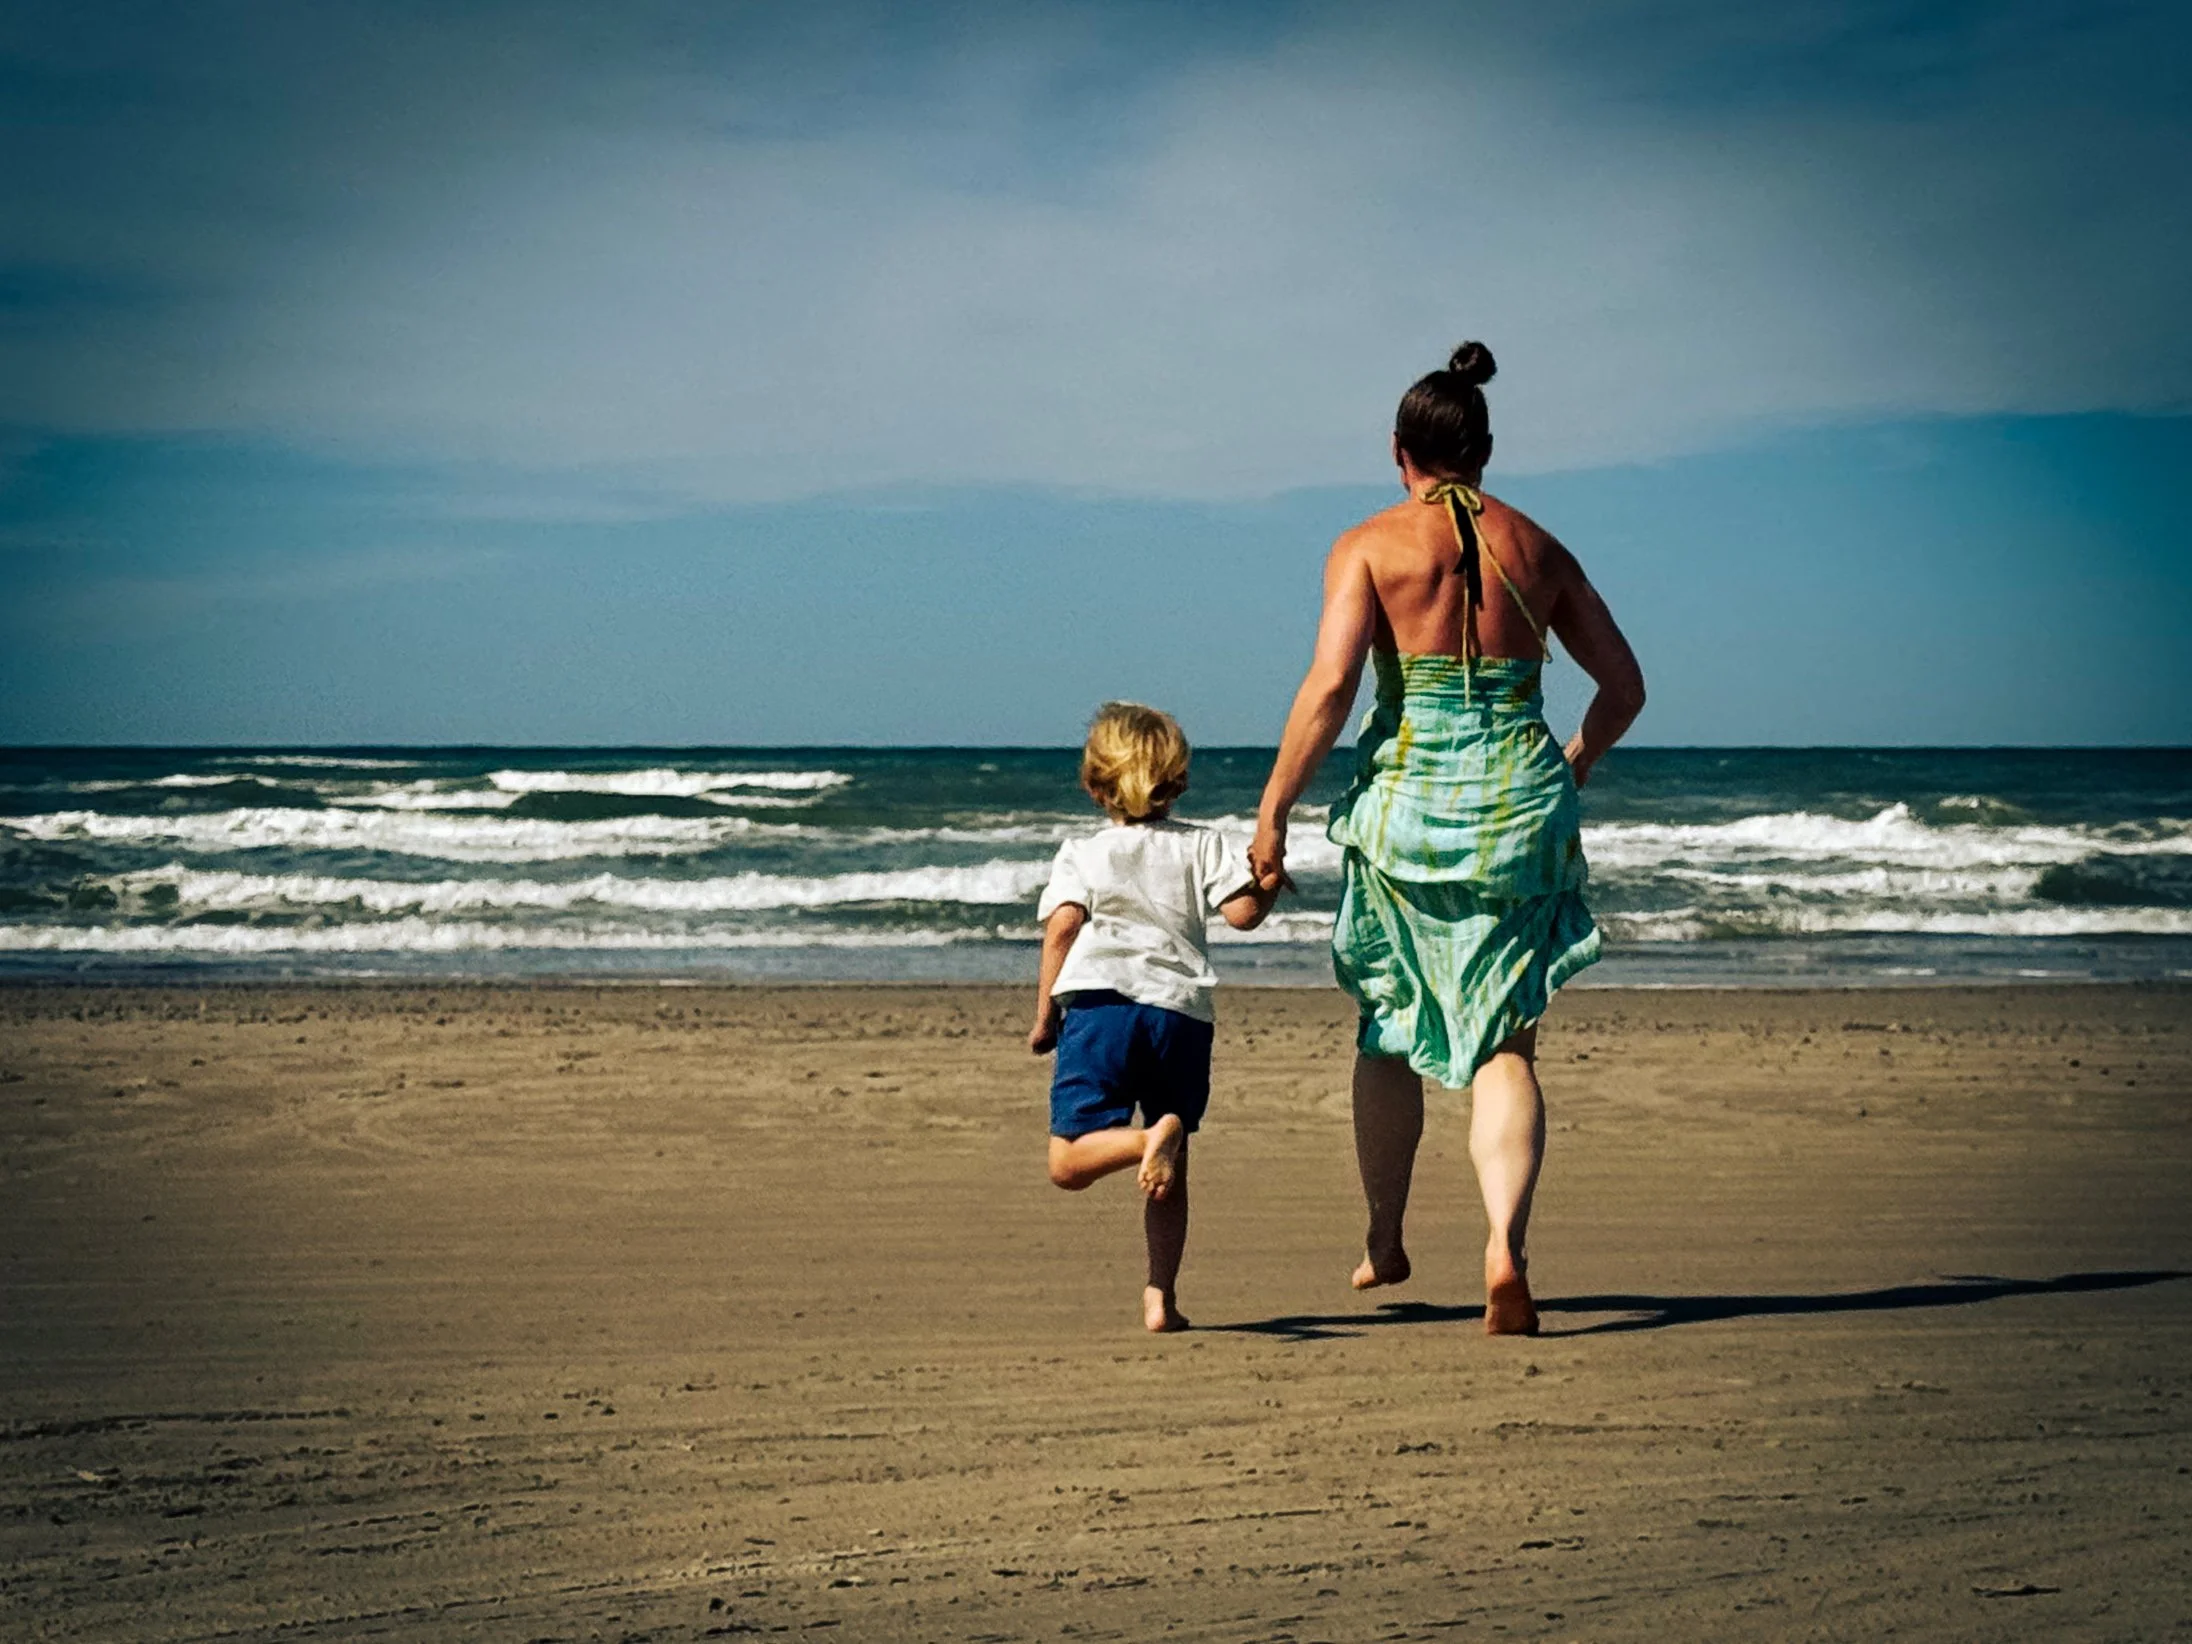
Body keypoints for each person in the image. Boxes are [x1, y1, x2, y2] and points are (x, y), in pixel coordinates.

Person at [1248, 341, 1645, 1336]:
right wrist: (1574, 762)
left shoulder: (1368, 546)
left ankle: (1385, 1235)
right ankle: (1503, 1244)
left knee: (1388, 1022)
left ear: (1398, 452)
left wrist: (1271, 811)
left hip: (1405, 816)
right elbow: (1623, 687)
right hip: (1520, 807)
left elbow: (1332, 688)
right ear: (1484, 450)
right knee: (1505, 1040)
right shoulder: (1538, 548)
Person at [1031, 702, 1281, 1333]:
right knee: (1169, 1178)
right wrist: (1270, 879)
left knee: (1067, 1163)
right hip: (1179, 1016)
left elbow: (1063, 929)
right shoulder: (1204, 845)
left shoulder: (1082, 854)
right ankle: (1159, 1297)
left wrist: (1044, 1017)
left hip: (1100, 1009)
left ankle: (1147, 1138)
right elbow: (1243, 916)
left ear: (1093, 785)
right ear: (1180, 780)